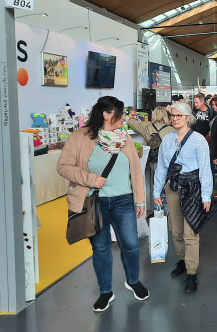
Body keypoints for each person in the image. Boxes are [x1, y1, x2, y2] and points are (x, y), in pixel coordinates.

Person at [57, 96, 149, 312]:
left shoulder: (123, 136)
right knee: (100, 248)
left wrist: (140, 199)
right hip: (94, 202)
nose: (124, 117)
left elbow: (135, 170)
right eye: (120, 113)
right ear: (107, 114)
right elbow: (63, 166)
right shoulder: (79, 137)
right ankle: (105, 291)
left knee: (131, 245)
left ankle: (133, 281)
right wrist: (90, 179)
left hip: (124, 200)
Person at [153, 102, 213, 294]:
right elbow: (162, 167)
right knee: (176, 230)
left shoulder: (198, 140)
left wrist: (206, 195)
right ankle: (181, 260)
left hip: (192, 188)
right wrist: (156, 192)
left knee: (191, 232)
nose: (175, 118)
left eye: (179, 115)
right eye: (173, 115)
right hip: (172, 188)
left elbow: (205, 169)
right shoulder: (167, 140)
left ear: (188, 118)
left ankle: (192, 272)